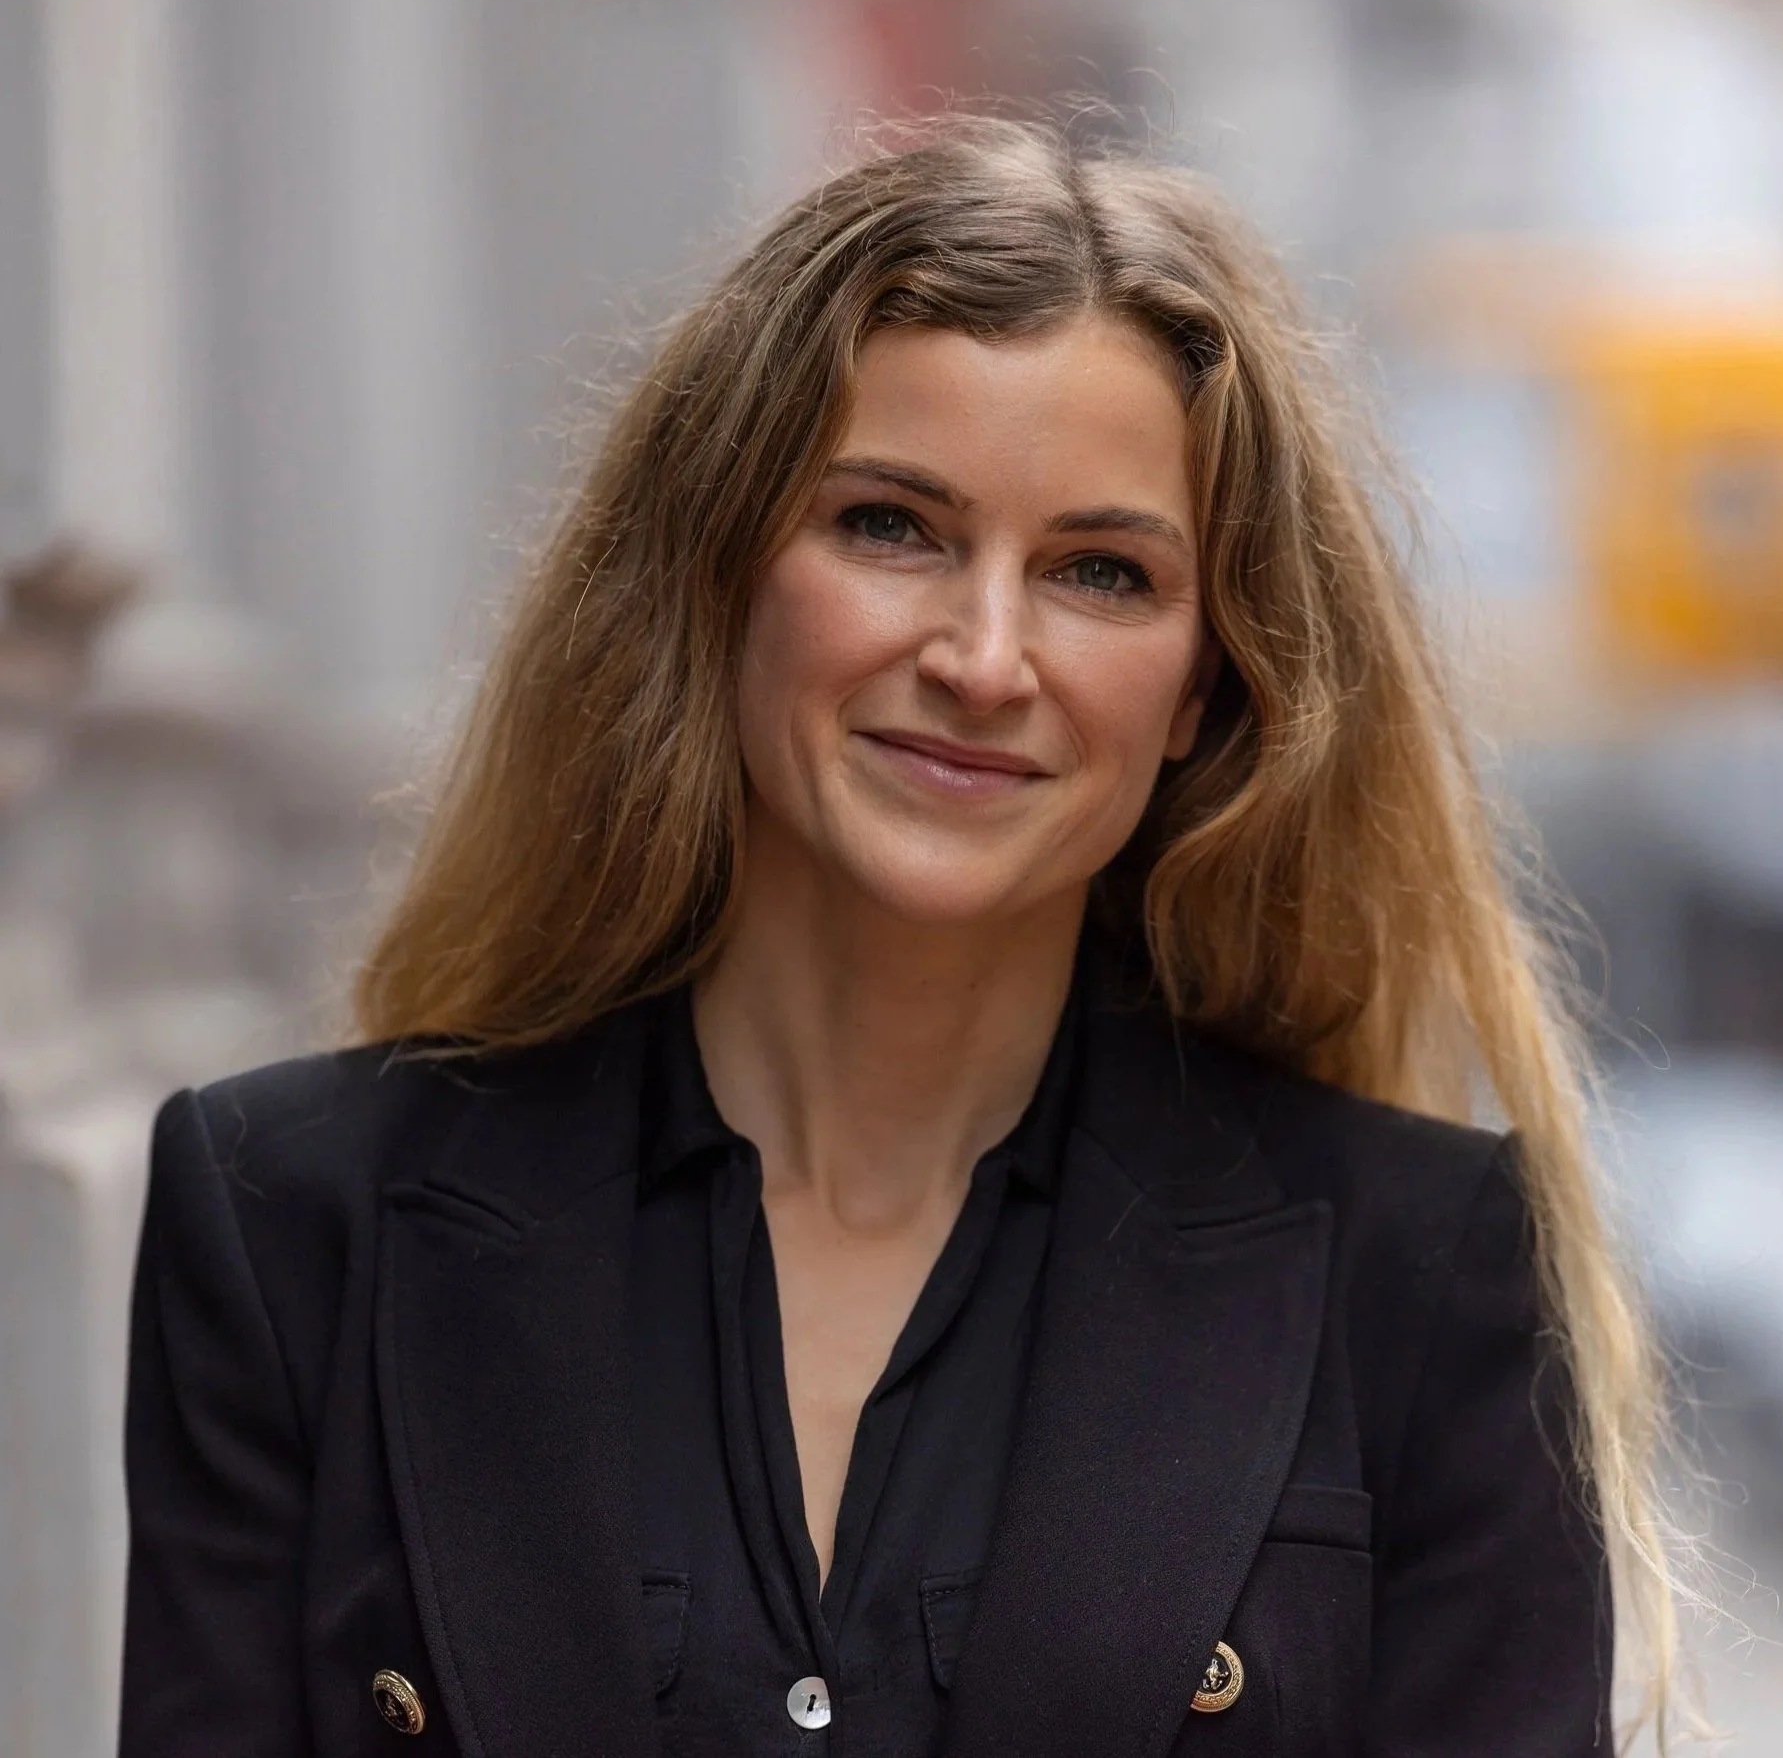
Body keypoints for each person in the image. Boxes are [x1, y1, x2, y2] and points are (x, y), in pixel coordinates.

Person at [119, 117, 1679, 1757]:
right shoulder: (292, 1224)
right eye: (892, 528)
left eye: (1100, 570)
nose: (985, 657)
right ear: (717, 572)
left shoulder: (1422, 1282)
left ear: (1203, 689)